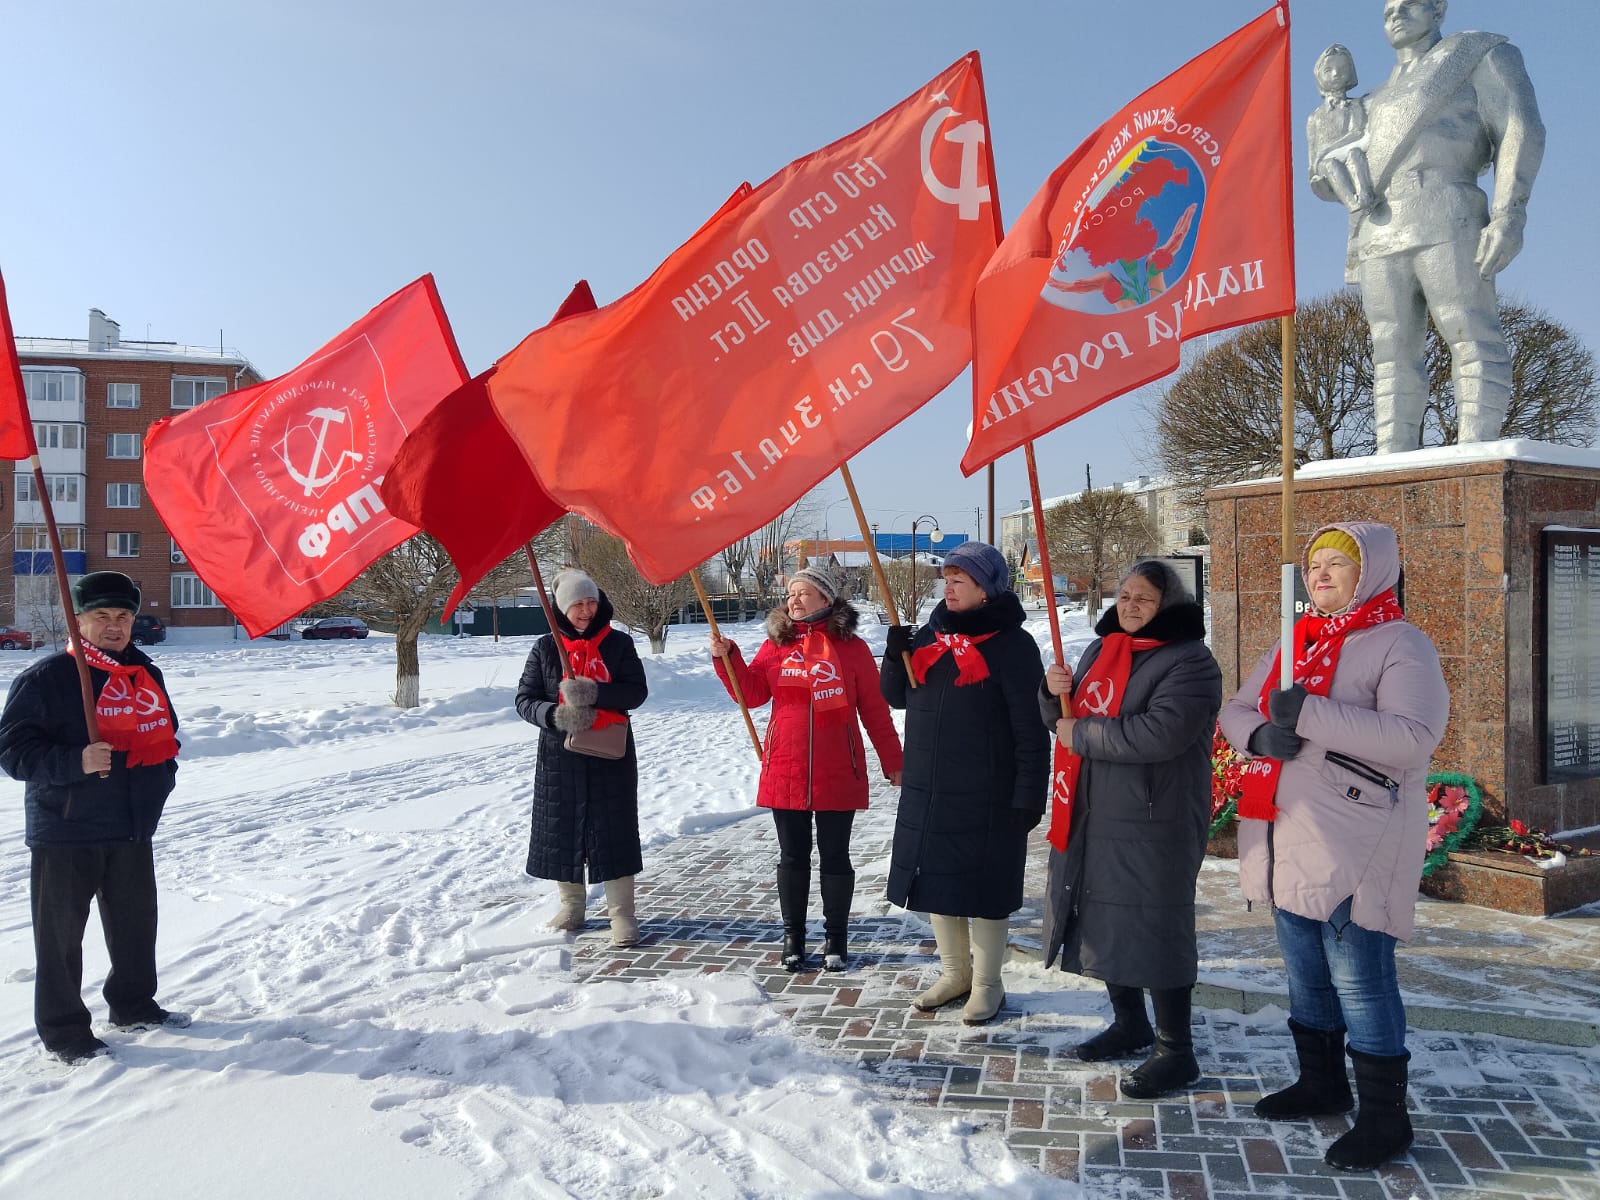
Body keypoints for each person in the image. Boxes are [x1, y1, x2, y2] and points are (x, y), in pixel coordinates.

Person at [1219, 522, 1449, 1172]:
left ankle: (1385, 1119)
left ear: (1371, 573)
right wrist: (1261, 735)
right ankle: (1321, 1082)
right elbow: (1235, 709)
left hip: (1360, 840)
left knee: (1362, 982)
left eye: (1336, 566)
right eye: (1314, 565)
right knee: (1306, 973)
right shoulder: (1296, 640)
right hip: (1289, 834)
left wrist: (1309, 713)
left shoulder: (1400, 643)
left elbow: (1413, 735)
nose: (1320, 575)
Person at [1317, 0, 1544, 452]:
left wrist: (1509, 214)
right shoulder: (1369, 101)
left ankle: (1477, 447)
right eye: (1387, 10)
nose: (1395, 14)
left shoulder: (1477, 53)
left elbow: (1521, 127)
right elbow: (1328, 181)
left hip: (1448, 209)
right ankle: (1390, 453)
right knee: (1389, 347)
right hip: (1380, 226)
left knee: (1468, 328)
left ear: (1439, 9)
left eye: (1409, 4)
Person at [1038, 560, 1221, 1099]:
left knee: (1157, 924)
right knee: (1104, 916)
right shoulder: (1102, 650)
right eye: (1124, 595)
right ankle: (1130, 1023)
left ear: (1170, 606)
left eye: (1145, 598)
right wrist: (1054, 694)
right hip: (1093, 811)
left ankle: (1176, 1050)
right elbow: (1063, 720)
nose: (1131, 605)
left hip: (1153, 819)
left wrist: (1079, 731)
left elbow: (1159, 734)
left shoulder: (1190, 661)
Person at [0, 571, 187, 1064]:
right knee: (60, 939)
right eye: (101, 616)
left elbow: (166, 732)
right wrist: (75, 761)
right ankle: (64, 1033)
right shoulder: (47, 678)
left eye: (123, 616)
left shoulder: (146, 672)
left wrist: (161, 779)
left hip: (129, 825)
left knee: (135, 926)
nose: (114, 625)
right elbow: (13, 752)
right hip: (66, 828)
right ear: (78, 620)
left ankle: (133, 1005)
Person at [880, 541, 1048, 1025]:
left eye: (960, 581)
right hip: (930, 786)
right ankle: (955, 973)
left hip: (989, 791)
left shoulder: (1013, 646)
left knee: (986, 889)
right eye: (947, 579)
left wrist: (1028, 795)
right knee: (936, 883)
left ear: (985, 589)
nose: (948, 588)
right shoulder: (932, 637)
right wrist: (896, 656)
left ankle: (989, 984)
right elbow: (897, 696)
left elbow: (1030, 727)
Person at [709, 563, 903, 972]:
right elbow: (753, 693)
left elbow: (874, 710)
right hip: (786, 767)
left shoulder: (852, 649)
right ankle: (793, 936)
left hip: (839, 767)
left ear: (826, 600)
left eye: (803, 593)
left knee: (836, 857)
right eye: (791, 593)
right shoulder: (776, 645)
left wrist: (893, 761)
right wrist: (729, 659)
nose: (794, 600)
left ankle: (836, 939)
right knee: (792, 857)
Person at [516, 569, 648, 948]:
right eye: (578, 604)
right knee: (564, 828)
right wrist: (555, 715)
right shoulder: (545, 648)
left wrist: (592, 693)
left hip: (611, 751)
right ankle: (572, 906)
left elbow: (635, 692)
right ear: (562, 607)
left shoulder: (619, 644)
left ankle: (622, 915)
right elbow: (524, 700)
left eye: (591, 602)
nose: (586, 610)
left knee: (615, 832)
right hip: (561, 756)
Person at [1308, 45, 1375, 221]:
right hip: (1326, 164)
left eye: (1341, 69)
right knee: (1328, 164)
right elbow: (1313, 155)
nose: (1336, 74)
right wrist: (1318, 164)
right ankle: (1352, 202)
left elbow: (1357, 132)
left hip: (1350, 148)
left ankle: (1365, 195)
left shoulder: (1355, 106)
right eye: (1328, 70)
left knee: (1354, 155)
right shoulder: (1315, 117)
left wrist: (1329, 150)